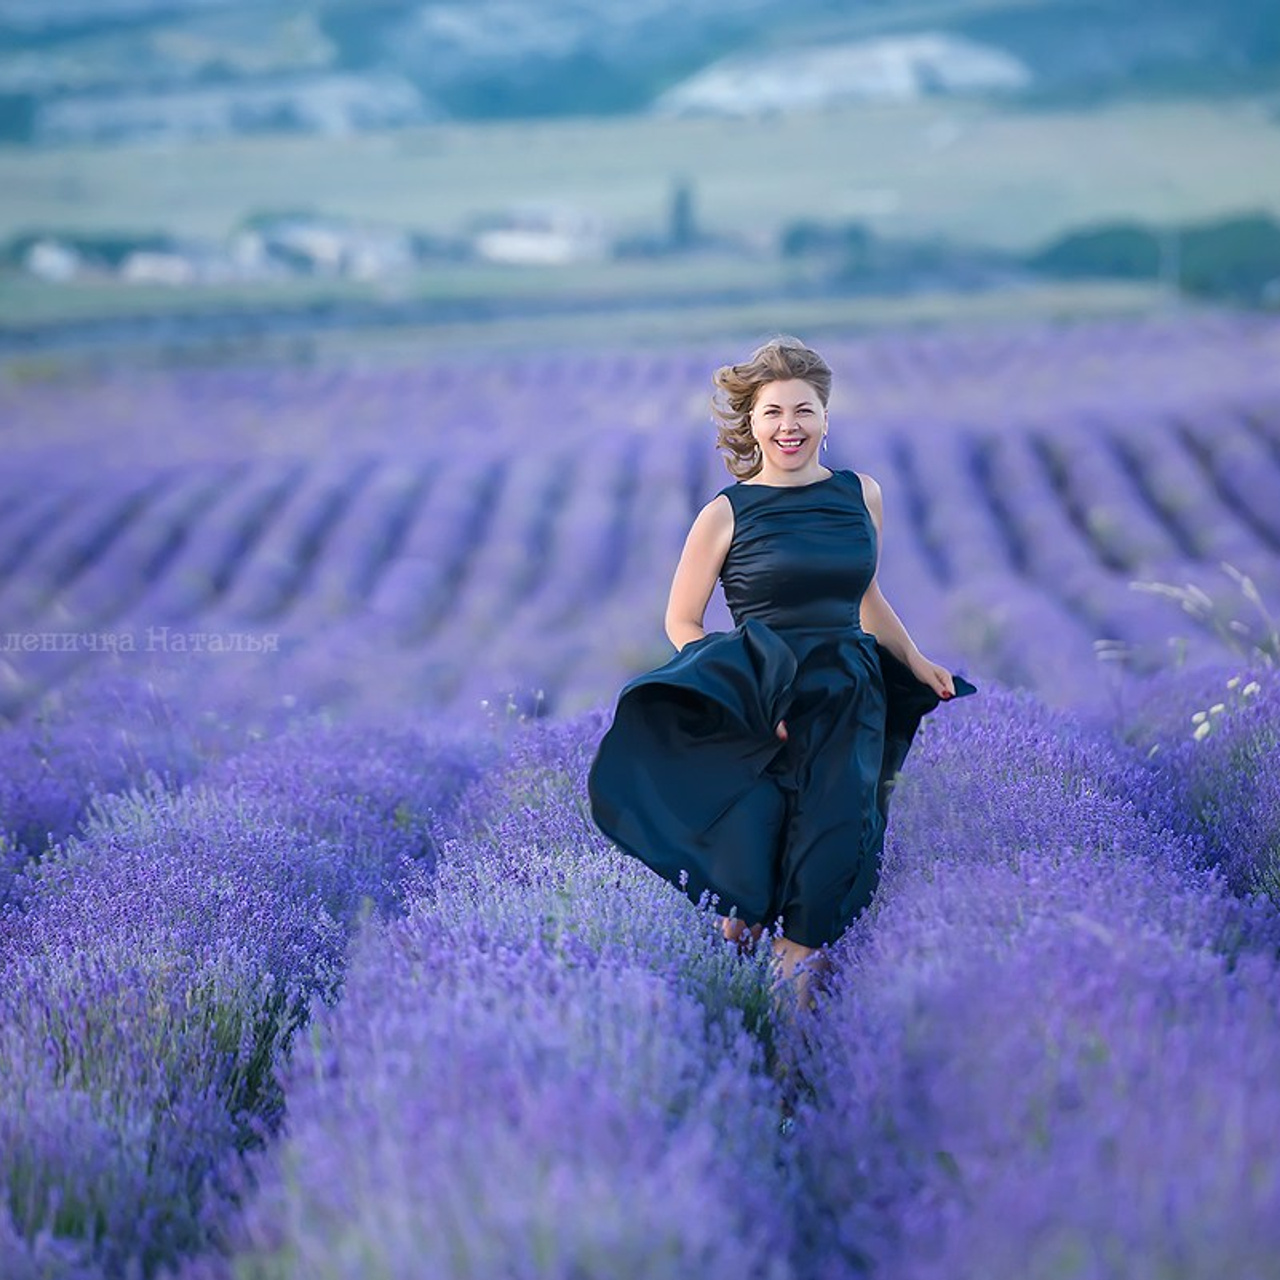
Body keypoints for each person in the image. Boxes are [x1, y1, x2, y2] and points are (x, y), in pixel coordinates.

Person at [588, 335, 976, 1013]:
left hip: (850, 699)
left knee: (823, 875)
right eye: (772, 412)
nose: (787, 426)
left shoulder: (863, 495)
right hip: (767, 707)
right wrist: (740, 691)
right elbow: (682, 621)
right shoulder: (725, 514)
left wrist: (915, 661)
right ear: (751, 422)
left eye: (802, 410)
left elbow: (867, 597)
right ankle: (736, 1023)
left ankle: (789, 1064)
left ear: (827, 417)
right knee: (752, 882)